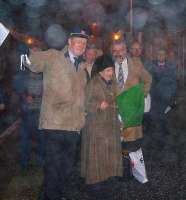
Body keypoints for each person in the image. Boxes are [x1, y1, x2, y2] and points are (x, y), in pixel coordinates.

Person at [22, 26, 89, 200]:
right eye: (78, 41)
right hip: (54, 123)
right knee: (53, 166)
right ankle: (52, 196)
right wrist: (27, 52)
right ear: (69, 42)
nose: (81, 45)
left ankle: (54, 194)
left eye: (84, 43)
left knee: (66, 168)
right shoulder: (53, 56)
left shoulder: (82, 67)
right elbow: (31, 63)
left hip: (74, 126)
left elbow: (83, 95)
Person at [81, 54, 123, 199]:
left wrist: (120, 105)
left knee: (109, 156)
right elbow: (84, 103)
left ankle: (106, 183)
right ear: (100, 72)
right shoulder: (93, 83)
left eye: (111, 70)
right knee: (96, 157)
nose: (111, 73)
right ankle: (94, 187)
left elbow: (119, 98)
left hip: (111, 125)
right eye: (107, 71)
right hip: (96, 127)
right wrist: (98, 105)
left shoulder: (114, 83)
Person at [111, 39, 152, 150]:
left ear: (126, 51)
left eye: (121, 50)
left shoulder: (136, 63)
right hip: (115, 117)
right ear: (112, 52)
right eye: (115, 51)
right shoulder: (107, 66)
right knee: (117, 152)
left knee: (132, 151)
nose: (118, 53)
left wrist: (141, 96)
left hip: (133, 118)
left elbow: (147, 79)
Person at [13, 69, 45, 170]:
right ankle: (24, 164)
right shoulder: (23, 75)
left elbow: (49, 90)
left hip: (40, 112)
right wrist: (25, 96)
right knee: (25, 139)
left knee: (41, 139)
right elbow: (18, 89)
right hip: (26, 112)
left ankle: (40, 162)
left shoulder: (45, 75)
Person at [150, 49, 177, 136]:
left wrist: (171, 97)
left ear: (165, 56)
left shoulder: (171, 68)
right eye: (159, 54)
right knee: (155, 123)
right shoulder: (151, 68)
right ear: (156, 55)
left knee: (165, 123)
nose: (161, 56)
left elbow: (174, 84)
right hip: (154, 100)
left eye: (163, 54)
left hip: (166, 99)